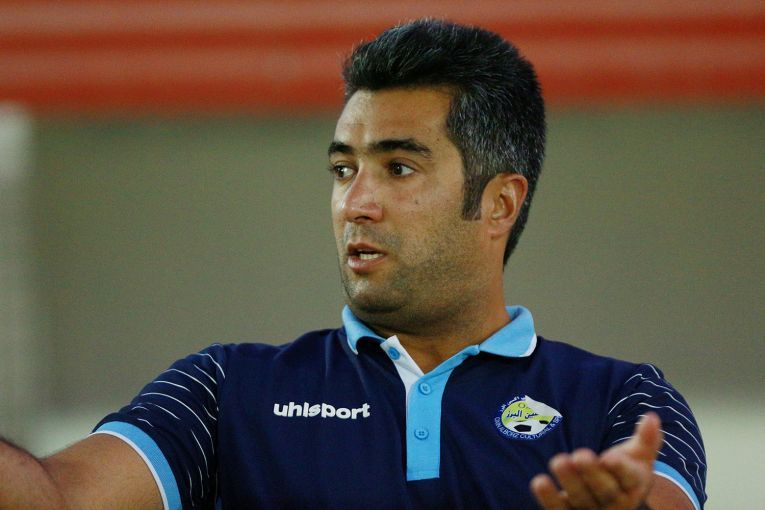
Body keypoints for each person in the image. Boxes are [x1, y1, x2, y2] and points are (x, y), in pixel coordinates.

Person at [0, 18, 706, 510]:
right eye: (343, 169)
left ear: (498, 203)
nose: (356, 203)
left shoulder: (623, 401)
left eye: (398, 167)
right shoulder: (224, 391)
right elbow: (55, 500)